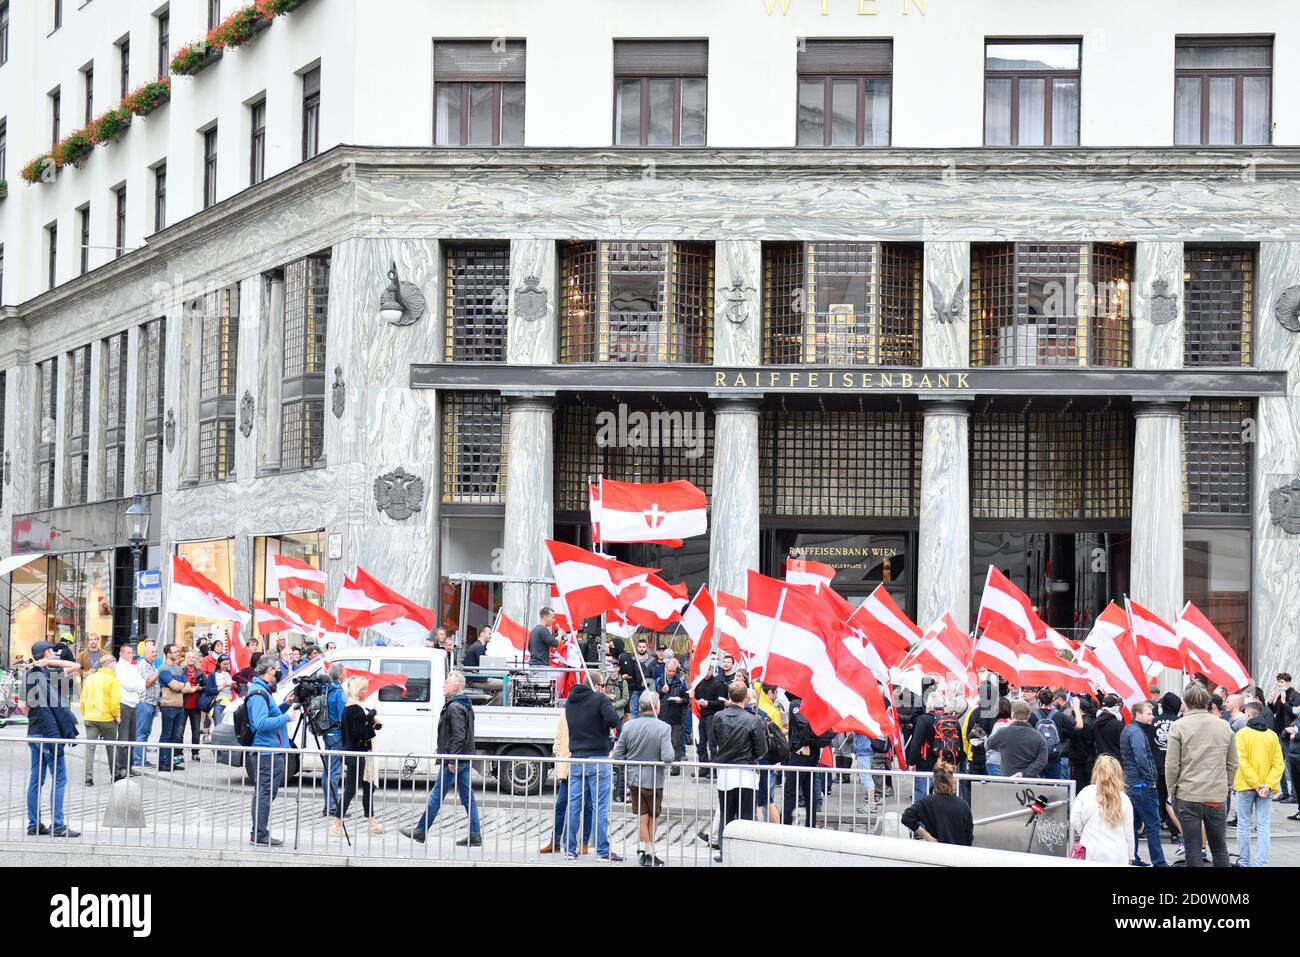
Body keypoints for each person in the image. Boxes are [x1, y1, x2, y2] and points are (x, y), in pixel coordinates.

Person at [402, 671, 482, 846]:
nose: (444, 684)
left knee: (436, 795)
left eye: (447, 682)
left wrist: (451, 759)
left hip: (455, 759)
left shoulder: (454, 706)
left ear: (455, 686)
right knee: (467, 797)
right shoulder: (463, 704)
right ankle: (475, 834)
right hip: (462, 757)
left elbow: (459, 736)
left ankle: (421, 831)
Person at [1166, 682, 1237, 868]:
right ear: (1208, 702)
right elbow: (1232, 763)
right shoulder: (1224, 726)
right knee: (1219, 847)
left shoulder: (1179, 726)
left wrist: (1172, 790)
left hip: (1188, 793)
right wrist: (1227, 786)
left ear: (1186, 702)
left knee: (1192, 847)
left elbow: (1172, 764)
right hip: (1216, 794)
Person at [559, 673, 621, 862]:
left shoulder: (570, 702)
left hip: (576, 758)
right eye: (602, 685)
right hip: (598, 758)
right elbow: (614, 720)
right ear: (595, 685)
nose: (604, 688)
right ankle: (602, 850)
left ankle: (569, 849)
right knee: (600, 806)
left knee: (573, 806)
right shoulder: (599, 698)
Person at [25, 641, 81, 838]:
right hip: (50, 734)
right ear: (46, 653)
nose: (55, 653)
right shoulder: (51, 675)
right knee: (59, 778)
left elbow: (25, 707)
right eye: (51, 651)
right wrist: (52, 663)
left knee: (36, 780)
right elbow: (75, 666)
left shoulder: (29, 675)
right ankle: (57, 824)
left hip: (33, 732)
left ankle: (34, 824)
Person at [612, 690, 675, 866]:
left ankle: (647, 852)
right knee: (653, 815)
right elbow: (669, 757)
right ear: (656, 706)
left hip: (634, 777)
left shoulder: (629, 726)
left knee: (642, 815)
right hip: (655, 778)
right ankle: (649, 851)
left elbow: (618, 755)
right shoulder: (664, 727)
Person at [709, 680, 767, 863]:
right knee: (746, 814)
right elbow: (762, 748)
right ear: (746, 697)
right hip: (746, 772)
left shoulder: (718, 716)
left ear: (729, 696)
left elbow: (712, 742)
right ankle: (743, 850)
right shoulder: (753, 719)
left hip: (725, 771)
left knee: (727, 812)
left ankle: (725, 850)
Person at [245, 655, 300, 847]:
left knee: (264, 793)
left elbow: (269, 713)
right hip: (267, 752)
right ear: (269, 670)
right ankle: (259, 833)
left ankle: (259, 831)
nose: (279, 672)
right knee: (265, 794)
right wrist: (287, 717)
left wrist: (284, 705)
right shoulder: (259, 692)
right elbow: (260, 723)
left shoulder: (263, 691)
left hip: (270, 750)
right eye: (277, 669)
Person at [334, 676, 390, 836]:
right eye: (364, 689)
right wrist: (370, 720)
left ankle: (373, 823)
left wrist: (370, 720)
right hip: (356, 753)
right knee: (350, 790)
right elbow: (361, 733)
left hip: (359, 753)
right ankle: (336, 824)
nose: (367, 691)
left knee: (368, 787)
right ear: (359, 691)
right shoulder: (354, 708)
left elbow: (362, 727)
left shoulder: (355, 707)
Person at [1233, 700, 1284, 867]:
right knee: (1263, 825)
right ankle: (1261, 863)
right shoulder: (1272, 736)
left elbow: (1242, 761)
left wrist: (1255, 783)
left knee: (1243, 824)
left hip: (1245, 785)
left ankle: (1244, 862)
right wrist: (1267, 785)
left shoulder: (1241, 734)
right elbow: (1278, 763)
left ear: (1247, 715)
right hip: (1265, 788)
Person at [540, 712, 593, 854]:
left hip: (584, 764)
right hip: (568, 765)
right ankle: (555, 842)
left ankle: (584, 843)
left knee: (587, 806)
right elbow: (559, 734)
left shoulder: (590, 709)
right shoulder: (566, 712)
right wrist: (557, 753)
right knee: (561, 805)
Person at [1120, 700, 1165, 866]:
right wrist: (1150, 781)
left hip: (1131, 785)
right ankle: (1159, 862)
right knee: (1153, 826)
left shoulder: (1128, 729)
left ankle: (1134, 859)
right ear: (1138, 714)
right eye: (1149, 713)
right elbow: (1141, 757)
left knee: (1133, 826)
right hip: (1142, 786)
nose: (1152, 717)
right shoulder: (1137, 732)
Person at [1070, 754, 1135, 865]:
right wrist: (1131, 855)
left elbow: (1074, 819)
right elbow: (1129, 833)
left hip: (1091, 849)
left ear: (1096, 771)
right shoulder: (1124, 798)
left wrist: (1083, 831)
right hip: (1118, 853)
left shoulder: (1086, 792)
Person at [784, 693, 832, 826]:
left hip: (801, 752)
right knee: (808, 790)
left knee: (791, 791)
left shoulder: (796, 703)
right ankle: (810, 825)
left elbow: (804, 725)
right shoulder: (813, 701)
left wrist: (804, 744)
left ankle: (786, 825)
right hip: (812, 751)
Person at [901, 760, 973, 846]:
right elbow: (969, 836)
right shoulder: (963, 805)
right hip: (958, 853)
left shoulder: (927, 802)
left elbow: (906, 817)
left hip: (936, 850)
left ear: (934, 780)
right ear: (953, 780)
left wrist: (926, 835)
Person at [80, 652, 123, 785]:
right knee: (111, 747)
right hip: (106, 718)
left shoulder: (90, 679)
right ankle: (114, 774)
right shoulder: (113, 680)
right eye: (115, 663)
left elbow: (83, 699)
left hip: (90, 717)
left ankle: (88, 778)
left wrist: (85, 713)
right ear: (111, 664)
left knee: (90, 748)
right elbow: (114, 702)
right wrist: (117, 716)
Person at [156, 643, 198, 772]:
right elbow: (176, 685)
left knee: (174, 736)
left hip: (180, 705)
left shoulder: (179, 668)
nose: (177, 654)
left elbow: (187, 684)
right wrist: (184, 688)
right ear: (168, 653)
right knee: (166, 735)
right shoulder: (163, 669)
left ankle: (170, 762)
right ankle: (163, 762)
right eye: (174, 652)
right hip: (168, 705)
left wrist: (183, 687)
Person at [1149, 691, 1183, 851]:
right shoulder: (1180, 722)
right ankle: (1174, 831)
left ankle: (1157, 825)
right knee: (1172, 799)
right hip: (1174, 767)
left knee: (1157, 798)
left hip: (1156, 766)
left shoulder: (1153, 721)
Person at [987, 700, 1048, 779]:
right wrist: (1024, 773)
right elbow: (1042, 761)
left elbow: (989, 744)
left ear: (1012, 715)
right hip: (1030, 783)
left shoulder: (1004, 732)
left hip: (1008, 780)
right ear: (1028, 715)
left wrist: (1006, 727)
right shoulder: (1038, 736)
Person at [693, 657, 731, 772]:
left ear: (711, 670)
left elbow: (720, 702)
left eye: (708, 671)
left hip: (713, 715)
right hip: (702, 715)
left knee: (712, 743)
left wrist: (708, 703)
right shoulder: (699, 682)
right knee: (701, 742)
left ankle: (714, 769)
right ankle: (703, 768)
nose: (706, 674)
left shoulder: (717, 683)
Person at [1268, 673, 1300, 802]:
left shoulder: (1295, 695)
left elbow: (1294, 713)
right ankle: (1284, 792)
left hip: (1288, 735)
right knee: (1278, 763)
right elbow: (1275, 711)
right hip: (1279, 733)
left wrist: (1283, 702)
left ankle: (1294, 794)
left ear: (1288, 682)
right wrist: (1271, 701)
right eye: (1278, 682)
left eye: (1281, 682)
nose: (1280, 684)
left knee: (1289, 764)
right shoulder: (1282, 695)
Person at [131, 639, 161, 771]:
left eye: (156, 651)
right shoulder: (143, 665)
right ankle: (138, 760)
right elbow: (147, 683)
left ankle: (142, 758)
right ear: (146, 653)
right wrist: (159, 672)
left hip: (151, 703)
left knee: (146, 732)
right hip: (144, 703)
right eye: (152, 652)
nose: (155, 654)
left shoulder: (151, 665)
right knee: (141, 732)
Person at [322, 662, 347, 818]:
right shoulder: (339, 692)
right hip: (337, 733)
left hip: (328, 732)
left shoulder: (326, 690)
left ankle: (328, 804)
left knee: (327, 770)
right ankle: (332, 806)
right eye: (344, 672)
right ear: (340, 675)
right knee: (335, 771)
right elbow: (343, 716)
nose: (346, 674)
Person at [656, 657, 689, 770]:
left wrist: (681, 700)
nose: (671, 673)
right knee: (661, 743)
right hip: (663, 716)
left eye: (673, 671)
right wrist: (661, 691)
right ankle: (661, 765)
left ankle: (675, 767)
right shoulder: (659, 681)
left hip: (676, 716)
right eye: (669, 671)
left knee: (676, 743)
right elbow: (653, 698)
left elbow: (687, 699)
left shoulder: (680, 682)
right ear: (665, 669)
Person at [115, 642, 144, 767]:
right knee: (124, 736)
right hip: (124, 703)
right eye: (128, 653)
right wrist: (138, 686)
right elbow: (128, 684)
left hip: (133, 703)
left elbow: (142, 683)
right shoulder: (119, 667)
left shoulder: (132, 667)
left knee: (132, 736)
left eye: (132, 652)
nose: (131, 655)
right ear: (121, 653)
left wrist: (137, 686)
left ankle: (130, 765)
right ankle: (122, 766)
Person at [462, 626, 503, 702]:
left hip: (477, 679)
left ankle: (494, 702)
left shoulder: (477, 646)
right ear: (482, 634)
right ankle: (496, 705)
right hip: (477, 680)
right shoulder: (478, 647)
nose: (491, 636)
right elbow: (482, 667)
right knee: (508, 684)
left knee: (502, 682)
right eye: (489, 633)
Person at [181, 649, 207, 762]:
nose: (191, 659)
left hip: (196, 706)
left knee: (196, 731)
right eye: (189, 657)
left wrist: (199, 688)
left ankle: (195, 752)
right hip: (182, 705)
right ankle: (178, 753)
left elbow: (206, 687)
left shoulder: (200, 672)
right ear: (186, 659)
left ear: (196, 659)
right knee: (179, 731)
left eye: (193, 657)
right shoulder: (181, 671)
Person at [1093, 694, 1125, 761]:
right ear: (1113, 707)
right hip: (1116, 761)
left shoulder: (1095, 723)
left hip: (1101, 760)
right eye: (1116, 705)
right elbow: (1124, 744)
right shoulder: (1118, 724)